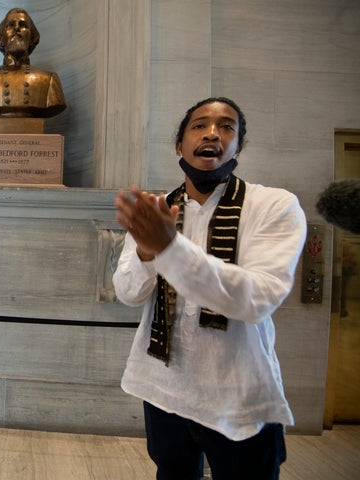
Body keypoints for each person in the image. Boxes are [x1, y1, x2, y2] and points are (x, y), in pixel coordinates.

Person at [112, 97, 307, 479]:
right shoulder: (156, 210)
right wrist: (148, 252)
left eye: (227, 127)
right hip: (164, 388)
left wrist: (171, 247)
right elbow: (127, 292)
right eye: (199, 125)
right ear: (179, 145)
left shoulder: (273, 206)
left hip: (238, 395)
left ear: (238, 147)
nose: (213, 133)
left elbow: (257, 298)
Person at [0, 7, 66, 119]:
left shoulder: (49, 80)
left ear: (32, 37)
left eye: (23, 25)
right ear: (1, 38)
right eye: (11, 25)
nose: (17, 28)